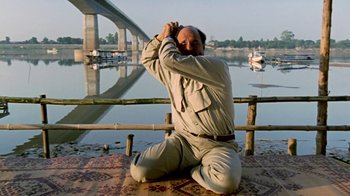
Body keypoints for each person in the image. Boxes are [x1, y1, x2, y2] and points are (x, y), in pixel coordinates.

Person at [130, 21, 242, 194]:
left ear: (203, 47)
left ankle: (194, 170)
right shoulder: (171, 74)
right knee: (140, 171)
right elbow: (147, 58)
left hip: (218, 145)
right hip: (184, 142)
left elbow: (168, 59)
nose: (189, 47)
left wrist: (169, 37)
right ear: (175, 46)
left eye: (195, 43)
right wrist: (161, 37)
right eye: (182, 44)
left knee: (226, 184)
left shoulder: (216, 67)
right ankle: (190, 164)